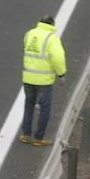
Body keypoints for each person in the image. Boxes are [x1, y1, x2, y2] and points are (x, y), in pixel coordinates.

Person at [20, 15, 67, 147]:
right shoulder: (52, 39)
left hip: (28, 78)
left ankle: (25, 134)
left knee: (29, 105)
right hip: (44, 81)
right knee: (44, 109)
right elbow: (57, 58)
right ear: (52, 24)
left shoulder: (29, 34)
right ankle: (38, 138)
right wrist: (61, 74)